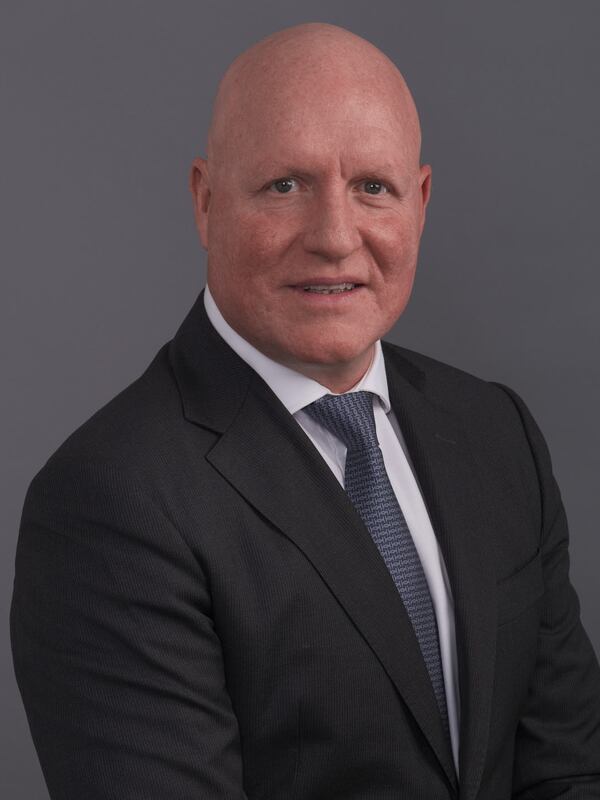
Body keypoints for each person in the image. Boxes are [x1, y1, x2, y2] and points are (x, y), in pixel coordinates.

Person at [10, 22, 600, 800]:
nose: (334, 237)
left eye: (373, 188)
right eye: (285, 185)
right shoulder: (110, 500)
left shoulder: (496, 434)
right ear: (207, 201)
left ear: (419, 203)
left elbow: (569, 768)